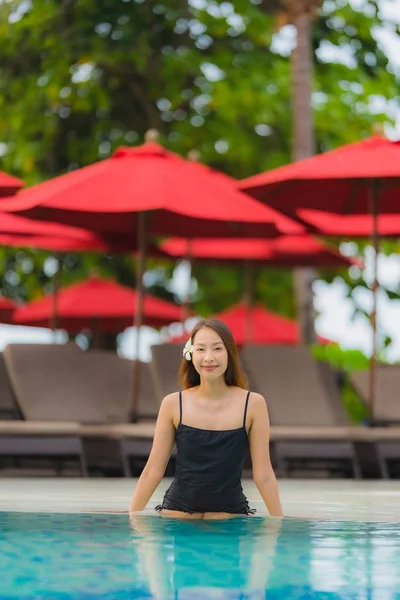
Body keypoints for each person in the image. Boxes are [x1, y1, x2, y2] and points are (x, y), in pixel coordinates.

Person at [129, 318, 283, 518]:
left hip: (229, 519)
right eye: (201, 349)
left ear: (229, 353)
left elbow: (264, 475)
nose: (209, 357)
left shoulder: (253, 404)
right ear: (191, 354)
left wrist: (279, 523)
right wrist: (132, 519)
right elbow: (153, 471)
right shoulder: (173, 404)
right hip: (178, 517)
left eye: (217, 349)